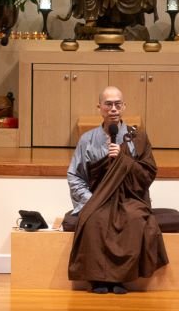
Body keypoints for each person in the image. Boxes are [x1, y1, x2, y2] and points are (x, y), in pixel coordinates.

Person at [66, 86, 167, 294]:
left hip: (129, 197)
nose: (113, 109)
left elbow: (148, 174)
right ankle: (97, 279)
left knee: (134, 219)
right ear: (99, 108)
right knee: (94, 219)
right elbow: (75, 175)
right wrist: (90, 200)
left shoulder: (137, 137)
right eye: (108, 104)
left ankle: (120, 278)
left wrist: (124, 160)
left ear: (124, 107)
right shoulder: (87, 139)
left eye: (117, 104)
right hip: (97, 197)